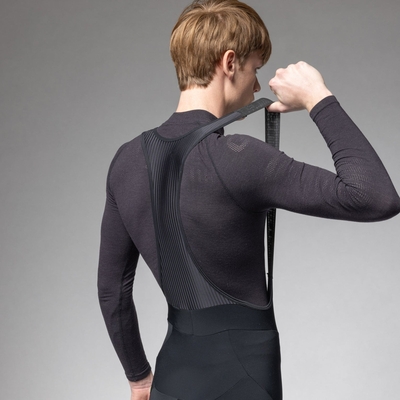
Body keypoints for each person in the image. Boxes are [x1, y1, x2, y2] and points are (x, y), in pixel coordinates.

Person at [97, 1, 400, 399]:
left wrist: (139, 377)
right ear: (229, 62)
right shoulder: (239, 158)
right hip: (245, 381)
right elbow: (376, 196)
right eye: (256, 69)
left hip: (172, 379)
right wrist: (318, 97)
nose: (257, 87)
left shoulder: (126, 161)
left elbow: (112, 290)